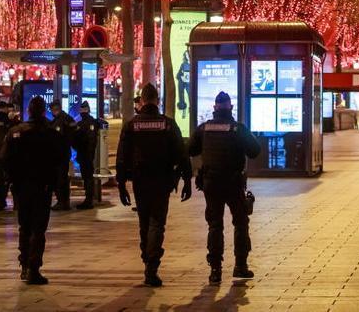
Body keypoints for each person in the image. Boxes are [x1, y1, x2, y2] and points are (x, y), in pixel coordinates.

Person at [117, 83, 192, 287]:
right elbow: (182, 154)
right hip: (162, 181)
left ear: (141, 100)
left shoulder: (132, 125)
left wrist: (121, 184)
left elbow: (122, 157)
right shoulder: (167, 124)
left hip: (140, 181)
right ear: (157, 100)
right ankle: (152, 265)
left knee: (144, 222)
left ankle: (147, 260)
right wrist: (187, 180)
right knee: (157, 222)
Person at [190, 91, 261, 284]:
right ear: (231, 108)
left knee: (215, 225)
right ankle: (240, 266)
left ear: (214, 108)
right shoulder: (238, 128)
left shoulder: (204, 128)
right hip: (233, 182)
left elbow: (191, 149)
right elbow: (254, 151)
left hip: (211, 182)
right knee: (240, 222)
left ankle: (215, 270)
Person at [1, 96, 69, 285]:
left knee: (24, 226)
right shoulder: (51, 133)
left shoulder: (16, 132)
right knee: (38, 229)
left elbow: (5, 159)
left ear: (29, 111)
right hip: (42, 186)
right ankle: (33, 268)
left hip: (22, 187)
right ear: (42, 111)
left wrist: (12, 180)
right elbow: (62, 157)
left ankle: (24, 266)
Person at [0, 101, 19, 211]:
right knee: (10, 179)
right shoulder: (9, 122)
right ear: (6, 109)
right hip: (7, 156)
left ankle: (0, 202)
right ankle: (15, 203)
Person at [74, 101, 102, 209]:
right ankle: (88, 199)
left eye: (83, 110)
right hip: (84, 155)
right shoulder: (86, 123)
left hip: (86, 155)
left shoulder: (88, 123)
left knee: (88, 177)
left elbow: (91, 140)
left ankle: (89, 200)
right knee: (86, 177)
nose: (82, 112)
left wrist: (87, 154)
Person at [50, 100, 77, 211]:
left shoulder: (60, 120)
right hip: (65, 152)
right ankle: (64, 201)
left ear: (54, 109)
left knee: (60, 178)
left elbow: (58, 138)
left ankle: (62, 201)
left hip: (60, 154)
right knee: (63, 178)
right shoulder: (67, 118)